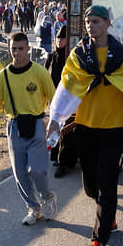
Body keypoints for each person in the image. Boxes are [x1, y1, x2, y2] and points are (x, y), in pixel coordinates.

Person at [47, 5, 123, 246]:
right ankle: (109, 214)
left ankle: (97, 242)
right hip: (85, 128)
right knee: (91, 185)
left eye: (95, 21)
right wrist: (56, 120)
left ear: (107, 23)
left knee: (107, 183)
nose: (90, 26)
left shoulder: (121, 56)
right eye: (87, 22)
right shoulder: (78, 55)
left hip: (113, 129)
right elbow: (66, 89)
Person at [0, 32, 58, 225]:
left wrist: (54, 125)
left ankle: (47, 197)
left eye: (21, 49)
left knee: (37, 171)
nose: (17, 53)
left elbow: (54, 100)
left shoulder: (39, 72)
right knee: (20, 174)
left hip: (37, 124)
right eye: (13, 49)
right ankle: (34, 208)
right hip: (14, 126)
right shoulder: (2, 76)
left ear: (28, 49)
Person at [45, 26, 76, 177]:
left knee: (66, 131)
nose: (59, 41)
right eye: (57, 38)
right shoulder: (51, 57)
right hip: (53, 99)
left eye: (63, 38)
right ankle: (54, 156)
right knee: (54, 127)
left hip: (68, 98)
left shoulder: (71, 58)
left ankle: (65, 161)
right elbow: (45, 76)